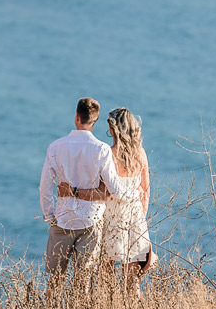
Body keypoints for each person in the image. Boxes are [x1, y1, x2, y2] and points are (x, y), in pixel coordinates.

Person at [38, 97, 140, 275]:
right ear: (97, 119)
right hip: (90, 221)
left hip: (63, 218)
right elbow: (114, 188)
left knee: (55, 280)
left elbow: (45, 187)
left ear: (76, 116)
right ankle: (79, 304)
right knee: (83, 280)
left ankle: (52, 304)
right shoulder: (101, 149)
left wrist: (50, 216)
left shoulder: (55, 147)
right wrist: (134, 194)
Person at [57, 107, 154, 282]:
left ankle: (107, 308)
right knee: (133, 280)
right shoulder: (140, 154)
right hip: (135, 216)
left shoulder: (107, 153)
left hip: (110, 217)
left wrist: (72, 192)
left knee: (105, 274)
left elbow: (102, 193)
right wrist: (140, 219)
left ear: (112, 128)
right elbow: (145, 191)